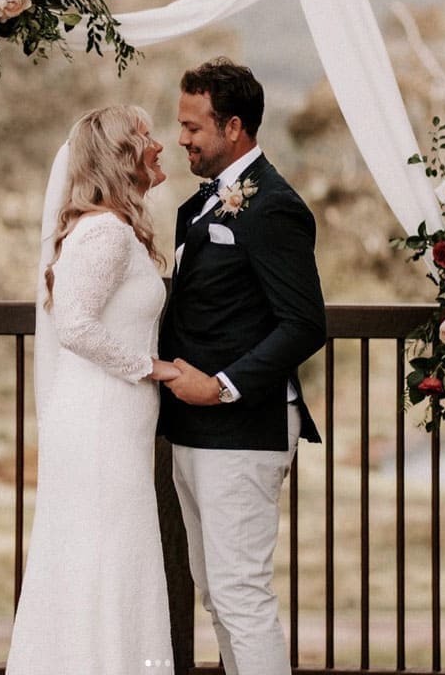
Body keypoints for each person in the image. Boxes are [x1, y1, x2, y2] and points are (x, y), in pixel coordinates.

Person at [159, 58, 326, 675]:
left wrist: (222, 386)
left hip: (243, 428)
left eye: (192, 126)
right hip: (192, 428)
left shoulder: (274, 207)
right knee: (217, 596)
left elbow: (304, 323)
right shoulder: (197, 206)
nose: (181, 138)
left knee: (241, 597)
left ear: (233, 127)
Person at [6, 105, 179, 675]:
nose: (158, 145)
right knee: (105, 559)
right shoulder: (105, 231)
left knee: (108, 559)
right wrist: (153, 368)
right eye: (146, 136)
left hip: (111, 419)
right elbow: (75, 326)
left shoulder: (111, 229)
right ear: (120, 155)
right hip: (100, 423)